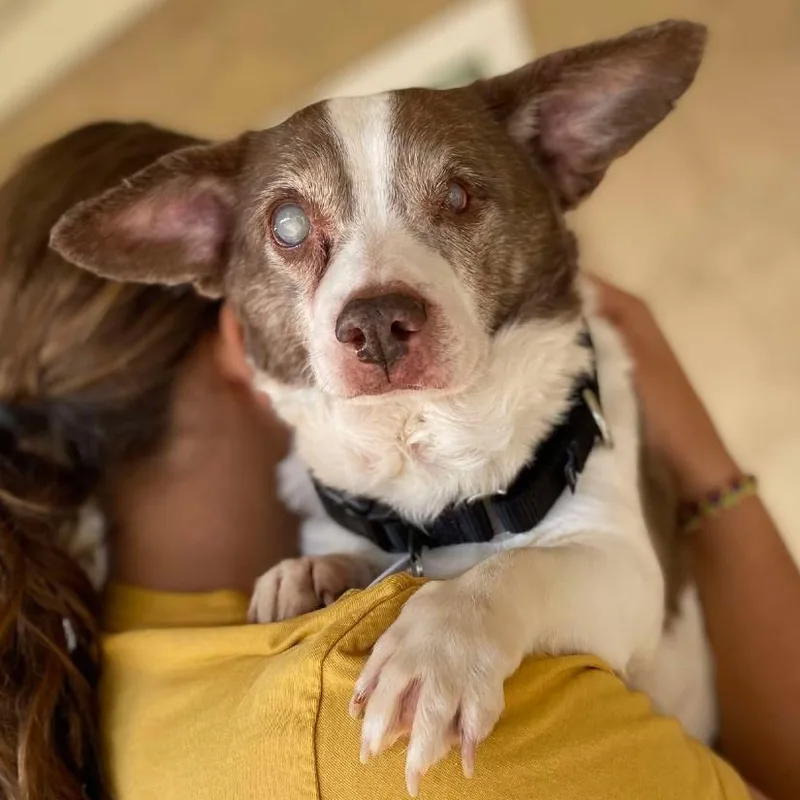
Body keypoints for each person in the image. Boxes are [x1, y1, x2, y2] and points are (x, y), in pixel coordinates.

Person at [0, 122, 797, 800]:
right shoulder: (417, 702)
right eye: (292, 233)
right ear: (250, 338)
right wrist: (704, 464)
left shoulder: (121, 687)